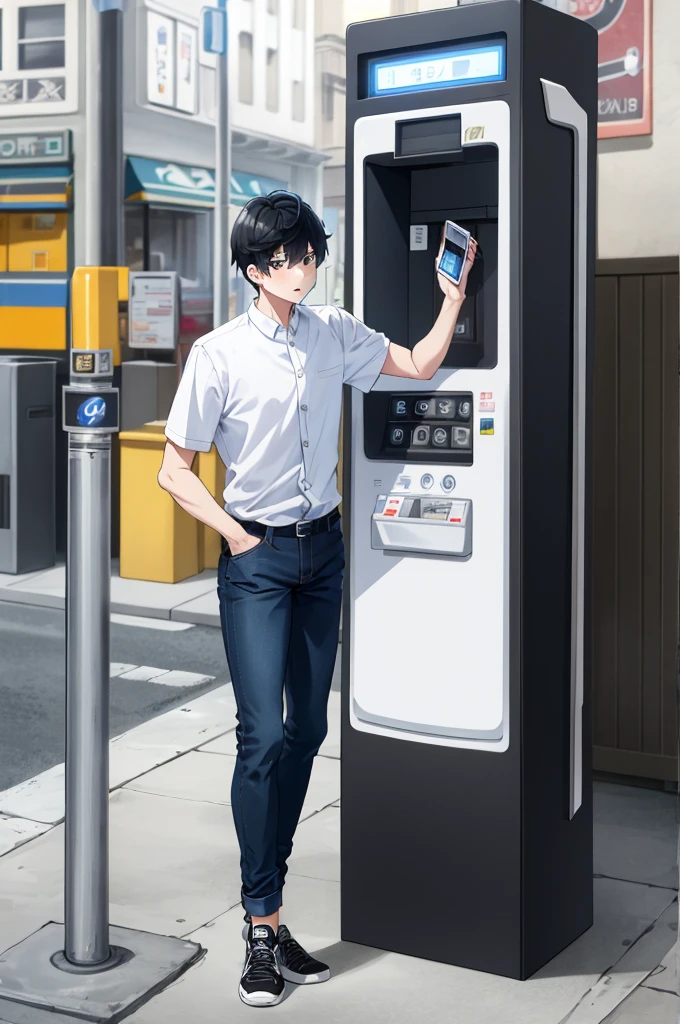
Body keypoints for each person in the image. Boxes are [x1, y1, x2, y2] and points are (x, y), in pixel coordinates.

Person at [158, 190, 476, 1007]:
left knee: (307, 730)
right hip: (259, 558)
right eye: (285, 258)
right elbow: (173, 469)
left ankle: (272, 900)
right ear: (255, 269)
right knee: (262, 735)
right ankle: (261, 927)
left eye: (308, 254)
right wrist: (234, 536)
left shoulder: (335, 332)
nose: (301, 267)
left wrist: (453, 298)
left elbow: (416, 366)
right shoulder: (219, 355)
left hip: (323, 552)